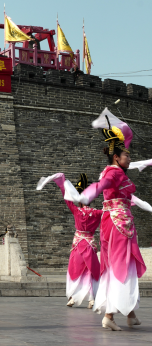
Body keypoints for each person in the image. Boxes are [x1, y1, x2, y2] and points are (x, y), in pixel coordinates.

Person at [55, 108, 152, 331]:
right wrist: (88, 194)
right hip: (118, 225)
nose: (130, 158)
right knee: (121, 266)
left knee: (122, 265)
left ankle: (130, 314)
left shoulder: (116, 170)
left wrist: (120, 130)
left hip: (117, 222)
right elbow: (103, 184)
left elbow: (127, 143)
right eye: (127, 155)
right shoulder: (114, 173)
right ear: (116, 157)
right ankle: (109, 315)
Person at [37, 173, 102, 309]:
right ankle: (91, 298)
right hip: (89, 245)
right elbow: (109, 211)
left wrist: (62, 185)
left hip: (78, 245)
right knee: (90, 270)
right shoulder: (97, 213)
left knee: (75, 269)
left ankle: (73, 297)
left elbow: (67, 200)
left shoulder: (77, 211)